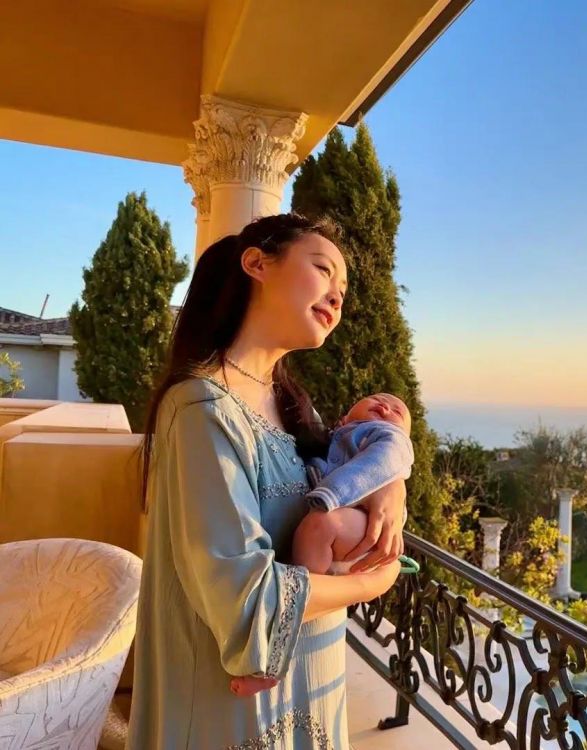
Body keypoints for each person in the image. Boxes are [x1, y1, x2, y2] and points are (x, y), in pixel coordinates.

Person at [127, 213, 406, 749]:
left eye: (344, 288)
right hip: (233, 705)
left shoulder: (291, 405)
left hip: (311, 678)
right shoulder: (203, 409)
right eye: (323, 269)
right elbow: (246, 599)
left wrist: (391, 485)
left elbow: (355, 466)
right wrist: (375, 582)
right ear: (256, 263)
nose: (337, 295)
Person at [229, 391, 416, 698]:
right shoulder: (334, 437)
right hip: (349, 515)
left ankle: (276, 647)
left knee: (319, 528)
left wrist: (330, 494)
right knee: (314, 536)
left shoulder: (386, 437)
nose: (386, 405)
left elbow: (381, 463)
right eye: (378, 399)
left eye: (398, 411)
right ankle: (292, 616)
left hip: (360, 517)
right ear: (344, 418)